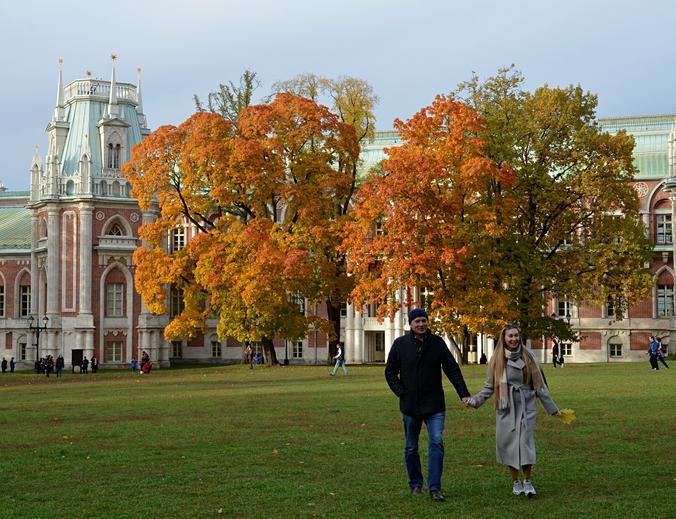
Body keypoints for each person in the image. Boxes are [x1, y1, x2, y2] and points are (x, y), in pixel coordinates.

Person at [385, 308, 471, 502]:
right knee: (411, 447)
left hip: (434, 405)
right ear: (411, 324)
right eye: (417, 322)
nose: (421, 324)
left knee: (436, 443)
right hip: (410, 405)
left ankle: (434, 488)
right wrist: (401, 392)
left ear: (427, 322)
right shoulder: (400, 344)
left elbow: (452, 369)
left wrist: (463, 394)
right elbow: (390, 372)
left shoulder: (437, 343)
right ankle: (415, 484)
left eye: (424, 321)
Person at [466, 324, 561, 498]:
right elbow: (489, 387)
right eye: (510, 336)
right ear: (504, 338)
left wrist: (553, 409)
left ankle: (528, 481)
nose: (514, 339)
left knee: (525, 443)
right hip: (506, 406)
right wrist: (475, 401)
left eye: (516, 336)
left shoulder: (529, 356)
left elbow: (540, 386)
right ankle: (515, 482)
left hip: (527, 405)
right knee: (509, 445)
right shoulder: (497, 360)